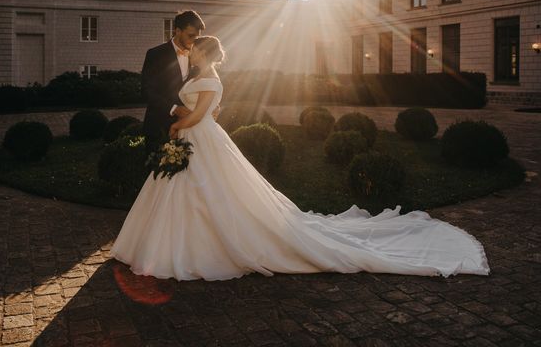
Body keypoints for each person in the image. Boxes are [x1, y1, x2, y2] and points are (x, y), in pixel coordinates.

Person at [112, 36, 490, 281]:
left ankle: (195, 247)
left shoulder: (211, 80)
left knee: (212, 192)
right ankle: (165, 244)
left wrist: (177, 124)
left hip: (199, 139)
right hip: (197, 137)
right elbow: (200, 112)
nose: (190, 50)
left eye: (195, 48)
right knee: (184, 190)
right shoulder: (199, 77)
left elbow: (198, 116)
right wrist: (181, 120)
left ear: (205, 53)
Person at [140, 10, 204, 154]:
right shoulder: (155, 54)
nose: (194, 41)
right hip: (158, 127)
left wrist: (213, 105)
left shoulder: (198, 57)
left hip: (188, 128)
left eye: (197, 37)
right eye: (191, 35)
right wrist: (174, 108)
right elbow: (146, 91)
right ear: (177, 31)